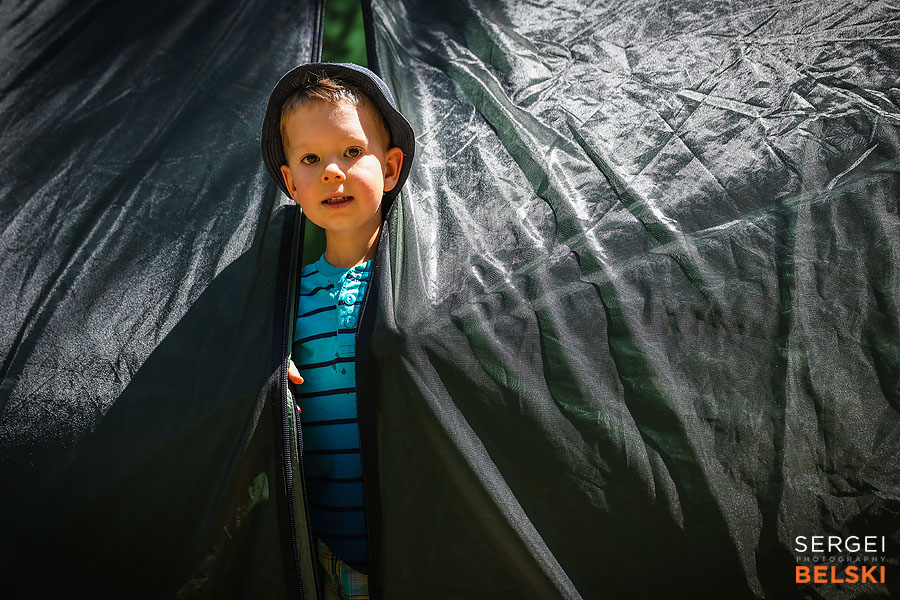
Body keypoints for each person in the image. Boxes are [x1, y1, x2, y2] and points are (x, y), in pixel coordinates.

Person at [260, 63, 415, 600]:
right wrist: (268, 371)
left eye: (351, 151)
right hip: (327, 553)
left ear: (390, 167)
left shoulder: (422, 285)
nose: (332, 171)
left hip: (424, 541)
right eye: (310, 159)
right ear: (290, 183)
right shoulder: (281, 305)